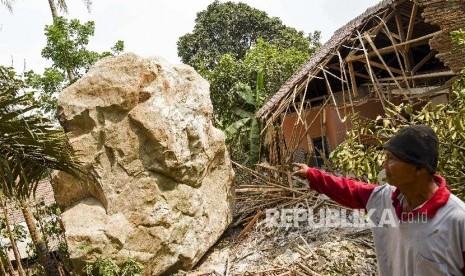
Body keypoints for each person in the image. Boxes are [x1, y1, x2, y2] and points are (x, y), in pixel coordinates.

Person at [293, 124, 465, 275]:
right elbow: (348, 189)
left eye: (392, 159)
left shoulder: (457, 220)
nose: (384, 165)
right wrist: (311, 174)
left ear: (419, 168)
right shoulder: (384, 199)